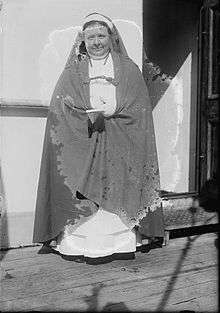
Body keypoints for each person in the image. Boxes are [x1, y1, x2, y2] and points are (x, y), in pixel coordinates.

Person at [33, 12, 164, 264]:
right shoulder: (74, 70)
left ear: (111, 37)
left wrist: (114, 114)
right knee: (80, 189)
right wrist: (83, 116)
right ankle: (77, 245)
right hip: (83, 141)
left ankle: (120, 244)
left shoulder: (128, 69)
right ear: (83, 40)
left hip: (120, 141)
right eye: (90, 37)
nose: (96, 42)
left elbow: (140, 109)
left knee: (117, 185)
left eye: (101, 35)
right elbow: (60, 109)